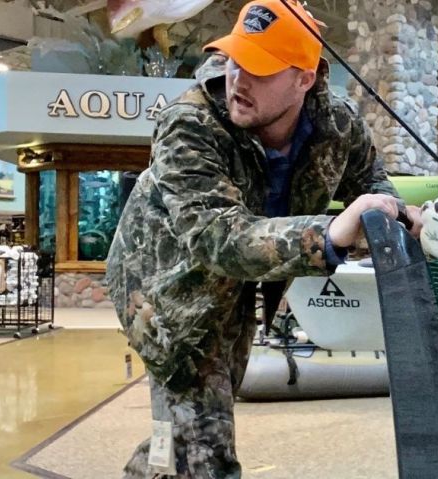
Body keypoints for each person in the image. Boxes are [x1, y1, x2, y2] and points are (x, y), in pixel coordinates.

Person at [105, 0, 420, 476]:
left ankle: (150, 467)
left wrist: (399, 213)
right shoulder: (187, 124)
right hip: (164, 293)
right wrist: (329, 233)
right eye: (235, 59)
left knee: (192, 425)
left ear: (304, 78)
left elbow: (371, 183)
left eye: (260, 69)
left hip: (237, 290)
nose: (238, 79)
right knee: (206, 445)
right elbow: (218, 237)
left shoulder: (337, 126)